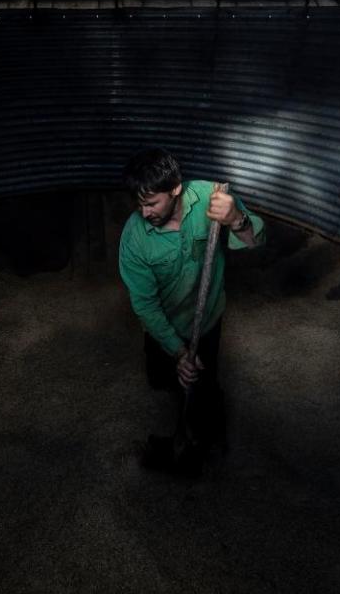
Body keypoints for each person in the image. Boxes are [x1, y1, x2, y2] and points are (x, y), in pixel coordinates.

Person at [118, 148, 265, 476]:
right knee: (163, 381)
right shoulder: (134, 240)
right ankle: (173, 432)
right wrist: (179, 351)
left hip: (207, 318)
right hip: (163, 328)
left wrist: (236, 219)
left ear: (175, 189)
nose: (144, 213)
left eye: (151, 203)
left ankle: (206, 440)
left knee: (205, 384)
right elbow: (145, 305)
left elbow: (253, 241)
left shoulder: (213, 200)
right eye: (138, 204)